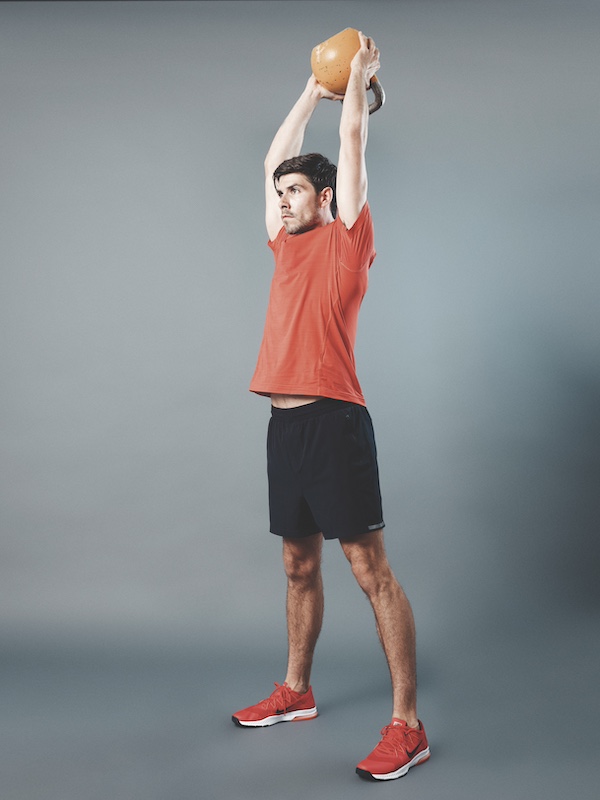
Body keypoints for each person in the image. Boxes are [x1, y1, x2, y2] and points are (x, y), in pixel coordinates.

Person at [232, 32, 430, 782]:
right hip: (285, 426)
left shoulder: (347, 242)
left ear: (324, 200)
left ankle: (407, 724)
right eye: (280, 195)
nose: (282, 201)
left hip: (335, 421)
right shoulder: (284, 246)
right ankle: (297, 690)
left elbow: (350, 146)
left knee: (368, 569)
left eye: (294, 193)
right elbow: (268, 161)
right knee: (295, 565)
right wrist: (310, 91)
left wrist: (352, 92)